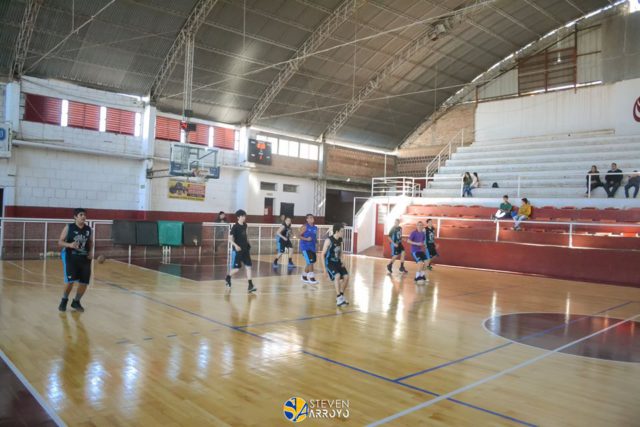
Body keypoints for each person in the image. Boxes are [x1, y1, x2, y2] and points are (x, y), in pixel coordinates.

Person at [58, 208, 94, 312]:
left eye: (84, 215)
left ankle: (76, 302)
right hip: (71, 257)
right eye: (81, 215)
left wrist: (91, 252)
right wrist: (69, 244)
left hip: (84, 258)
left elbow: (90, 242)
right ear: (75, 217)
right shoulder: (69, 227)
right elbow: (60, 242)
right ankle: (64, 300)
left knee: (84, 282)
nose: (83, 216)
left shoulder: (88, 229)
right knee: (70, 281)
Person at [225, 209, 257, 293]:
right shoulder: (235, 227)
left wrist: (249, 243)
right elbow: (230, 239)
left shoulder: (245, 225)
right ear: (238, 217)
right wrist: (236, 246)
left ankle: (250, 285)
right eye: (243, 216)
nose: (244, 217)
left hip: (245, 250)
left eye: (245, 216)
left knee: (248, 267)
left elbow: (246, 235)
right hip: (238, 251)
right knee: (236, 269)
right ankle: (228, 277)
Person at [321, 224, 350, 307]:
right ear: (337, 231)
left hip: (338, 262)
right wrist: (324, 269)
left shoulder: (340, 239)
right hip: (330, 262)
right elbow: (322, 254)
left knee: (346, 277)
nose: (343, 233)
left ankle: (341, 295)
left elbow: (341, 251)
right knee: (337, 276)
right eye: (342, 231)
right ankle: (338, 297)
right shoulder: (329, 240)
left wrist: (342, 260)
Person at [299, 214, 318, 284]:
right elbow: (299, 236)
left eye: (312, 217)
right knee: (310, 262)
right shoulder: (305, 226)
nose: (311, 218)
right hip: (305, 247)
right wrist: (306, 239)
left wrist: (316, 241)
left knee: (310, 262)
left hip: (312, 247)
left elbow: (314, 237)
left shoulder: (315, 227)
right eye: (310, 218)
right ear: (307, 219)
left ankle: (304, 276)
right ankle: (311, 278)